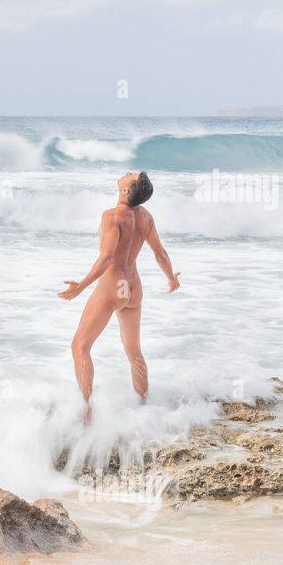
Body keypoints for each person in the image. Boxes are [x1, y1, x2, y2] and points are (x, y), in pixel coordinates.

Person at [57, 171, 180, 422]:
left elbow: (107, 258)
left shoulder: (112, 217)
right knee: (134, 351)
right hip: (133, 287)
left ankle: (86, 411)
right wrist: (171, 278)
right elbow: (160, 253)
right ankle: (145, 406)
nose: (127, 173)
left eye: (130, 175)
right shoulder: (146, 217)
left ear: (125, 190)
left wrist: (81, 286)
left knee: (80, 346)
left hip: (113, 286)